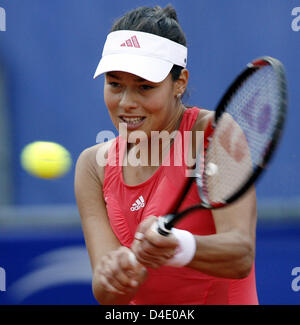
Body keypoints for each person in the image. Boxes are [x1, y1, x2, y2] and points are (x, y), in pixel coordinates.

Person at [74, 5, 258, 305]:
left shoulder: (214, 135)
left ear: (180, 83)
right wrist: (115, 274)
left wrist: (180, 246)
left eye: (145, 87)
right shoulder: (93, 166)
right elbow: (107, 294)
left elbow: (241, 254)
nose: (126, 103)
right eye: (114, 84)